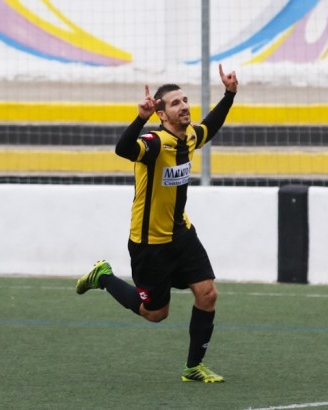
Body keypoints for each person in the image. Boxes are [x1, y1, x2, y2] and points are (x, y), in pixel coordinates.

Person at [75, 64, 238, 383]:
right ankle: (104, 277)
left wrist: (229, 94)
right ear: (162, 114)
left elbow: (210, 127)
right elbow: (122, 149)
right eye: (176, 103)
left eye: (186, 100)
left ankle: (193, 367)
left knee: (208, 294)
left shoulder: (189, 136)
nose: (185, 106)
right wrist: (139, 118)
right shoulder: (152, 142)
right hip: (150, 244)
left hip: (182, 234)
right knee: (155, 314)